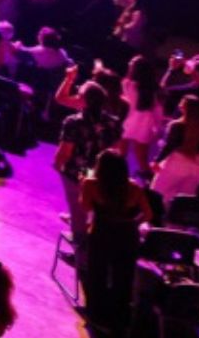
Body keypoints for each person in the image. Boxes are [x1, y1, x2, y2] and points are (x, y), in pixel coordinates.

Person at [77, 149, 148, 333]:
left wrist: (81, 186)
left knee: (97, 274)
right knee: (123, 277)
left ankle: (96, 315)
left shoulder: (91, 184)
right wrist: (131, 222)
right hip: (127, 236)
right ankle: (119, 320)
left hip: (102, 232)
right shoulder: (134, 187)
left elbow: (85, 207)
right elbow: (149, 214)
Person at [54, 80, 119, 244]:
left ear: (84, 99)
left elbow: (65, 152)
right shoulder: (113, 122)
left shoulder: (74, 122)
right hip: (100, 173)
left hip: (76, 173)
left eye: (79, 94)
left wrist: (57, 165)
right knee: (93, 210)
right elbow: (116, 150)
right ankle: (90, 247)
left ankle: (81, 258)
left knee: (78, 215)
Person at [150, 94, 199, 201]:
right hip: (198, 167)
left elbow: (170, 145)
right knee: (184, 201)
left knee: (159, 195)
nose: (180, 106)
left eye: (182, 104)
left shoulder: (178, 125)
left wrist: (157, 161)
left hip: (176, 164)